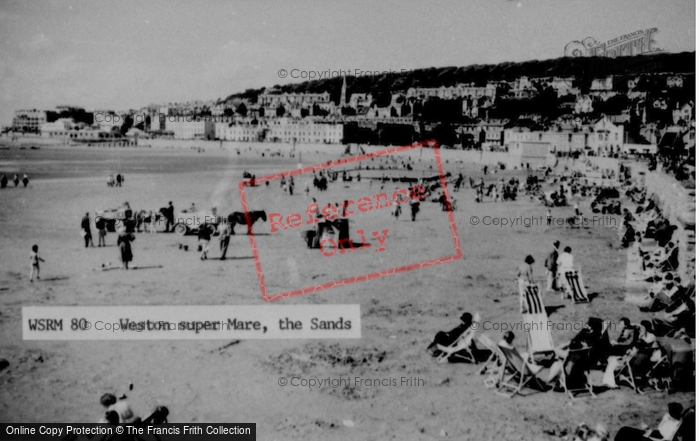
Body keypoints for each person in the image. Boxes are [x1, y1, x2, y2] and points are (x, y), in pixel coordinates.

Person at [614, 402, 684, 441]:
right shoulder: (676, 419)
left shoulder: (672, 425)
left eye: (668, 411)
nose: (666, 413)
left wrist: (647, 432)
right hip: (654, 435)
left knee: (624, 434)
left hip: (654, 439)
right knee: (624, 430)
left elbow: (661, 437)